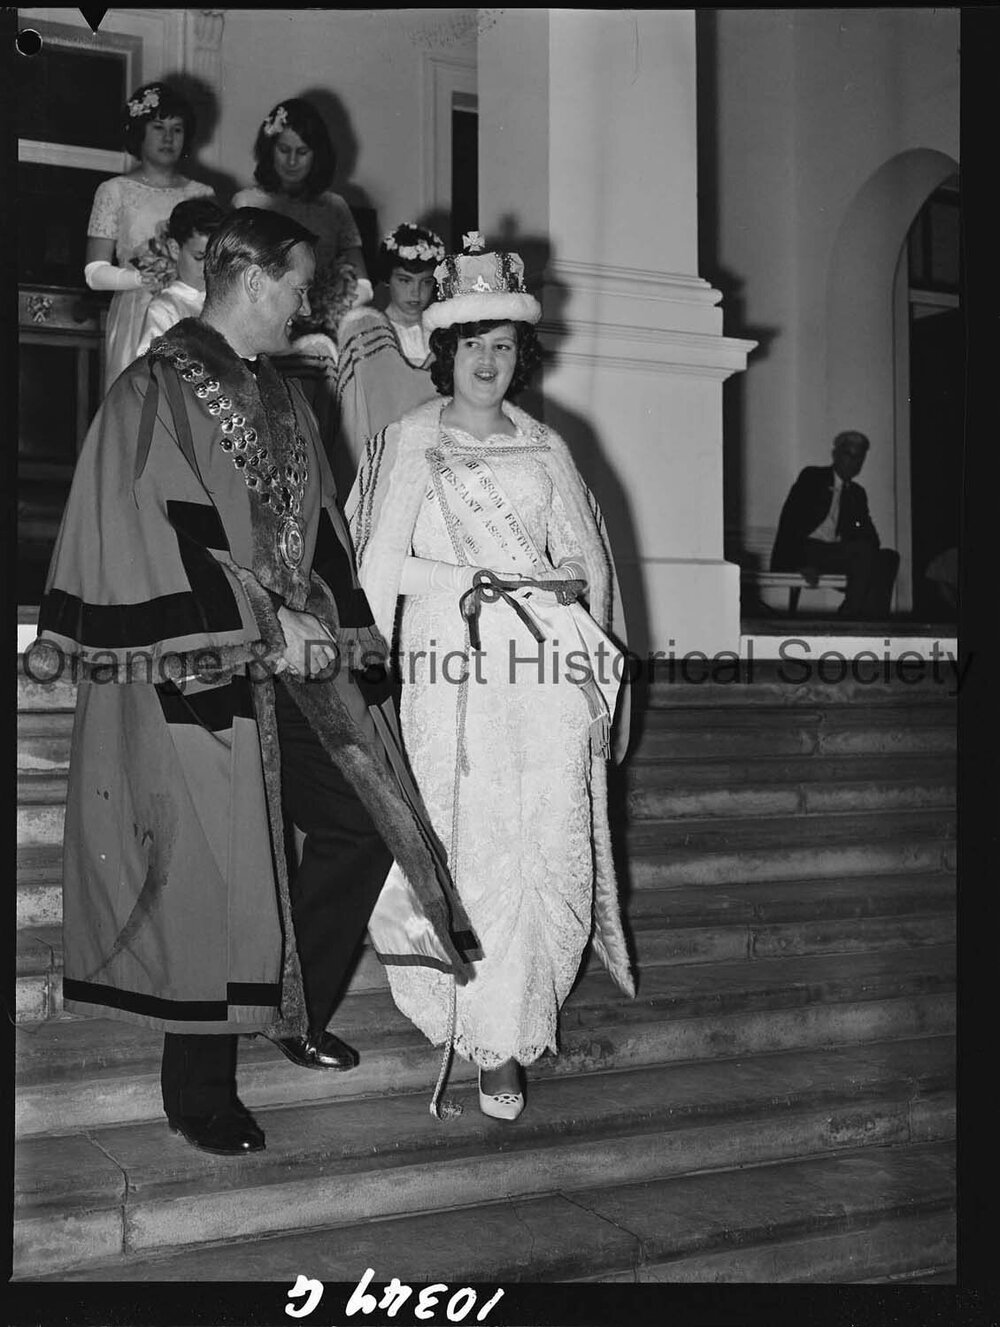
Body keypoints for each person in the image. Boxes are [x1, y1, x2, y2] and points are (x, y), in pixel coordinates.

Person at [30, 208, 477, 1157]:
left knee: (360, 821)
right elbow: (155, 531)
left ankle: (291, 1000)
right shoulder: (152, 390)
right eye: (297, 285)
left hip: (296, 658)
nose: (306, 303)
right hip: (197, 661)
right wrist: (270, 628)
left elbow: (318, 526)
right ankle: (198, 1087)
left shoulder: (287, 395)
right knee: (216, 858)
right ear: (249, 277)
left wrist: (343, 638)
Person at [347, 234, 634, 1122]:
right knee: (471, 848)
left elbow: (586, 566)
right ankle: (476, 1025)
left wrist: (556, 589)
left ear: (522, 353)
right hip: (451, 669)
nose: (488, 360)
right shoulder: (408, 441)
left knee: (535, 846)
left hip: (541, 677)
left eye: (504, 345)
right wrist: (470, 583)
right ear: (445, 349)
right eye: (472, 341)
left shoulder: (548, 446)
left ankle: (507, 1033)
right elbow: (378, 574)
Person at [85, 81, 215, 392]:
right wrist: (145, 279)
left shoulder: (202, 193)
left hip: (192, 309)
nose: (168, 138)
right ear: (139, 132)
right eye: (158, 127)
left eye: (177, 129)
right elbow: (94, 273)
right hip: (136, 312)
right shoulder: (114, 191)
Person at [232, 98, 372, 354]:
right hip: (263, 331)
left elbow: (363, 285)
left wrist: (330, 310)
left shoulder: (335, 207)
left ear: (317, 155)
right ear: (270, 149)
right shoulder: (246, 202)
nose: (292, 161)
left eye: (303, 152)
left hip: (323, 333)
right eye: (284, 150)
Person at [335, 222, 445, 483]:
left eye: (426, 282)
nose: (415, 293)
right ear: (387, 278)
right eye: (404, 280)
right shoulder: (366, 334)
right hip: (382, 461)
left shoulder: (444, 338)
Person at [771, 430, 900, 619]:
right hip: (809, 550)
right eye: (849, 454)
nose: (854, 462)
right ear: (836, 455)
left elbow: (871, 538)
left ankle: (869, 621)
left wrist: (858, 538)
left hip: (837, 554)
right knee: (863, 552)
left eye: (859, 457)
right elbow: (790, 523)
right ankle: (850, 619)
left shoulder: (857, 494)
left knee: (888, 558)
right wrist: (799, 563)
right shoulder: (813, 477)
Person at [135, 197, 228, 356]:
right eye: (200, 257)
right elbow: (153, 369)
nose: (209, 268)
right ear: (175, 248)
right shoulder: (164, 309)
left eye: (217, 258)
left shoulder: (227, 300)